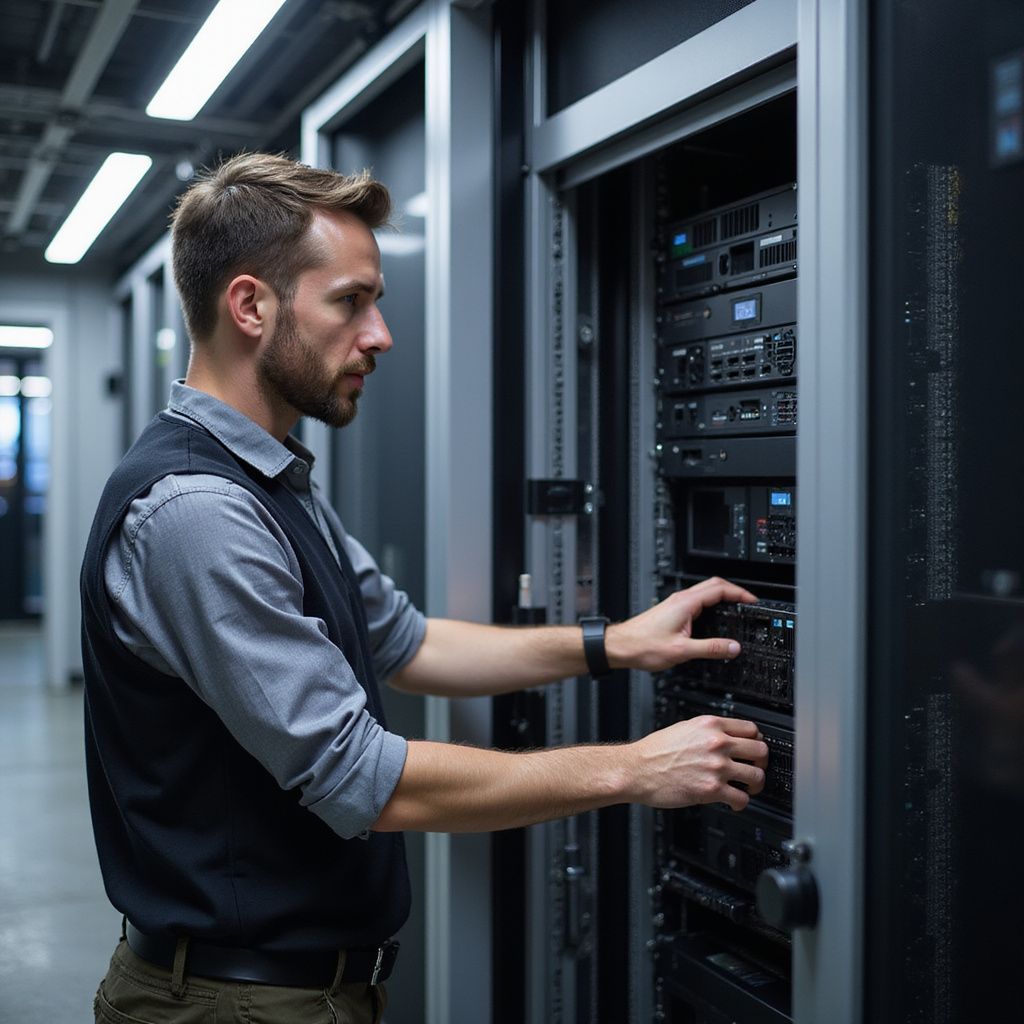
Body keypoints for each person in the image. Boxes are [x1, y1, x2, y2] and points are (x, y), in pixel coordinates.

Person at [81, 152, 769, 1024]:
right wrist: (632, 769)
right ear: (250, 306)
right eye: (351, 301)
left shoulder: (269, 480)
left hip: (291, 990)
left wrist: (615, 643)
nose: (380, 335)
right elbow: (368, 781)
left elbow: (410, 642)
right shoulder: (197, 510)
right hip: (233, 1002)